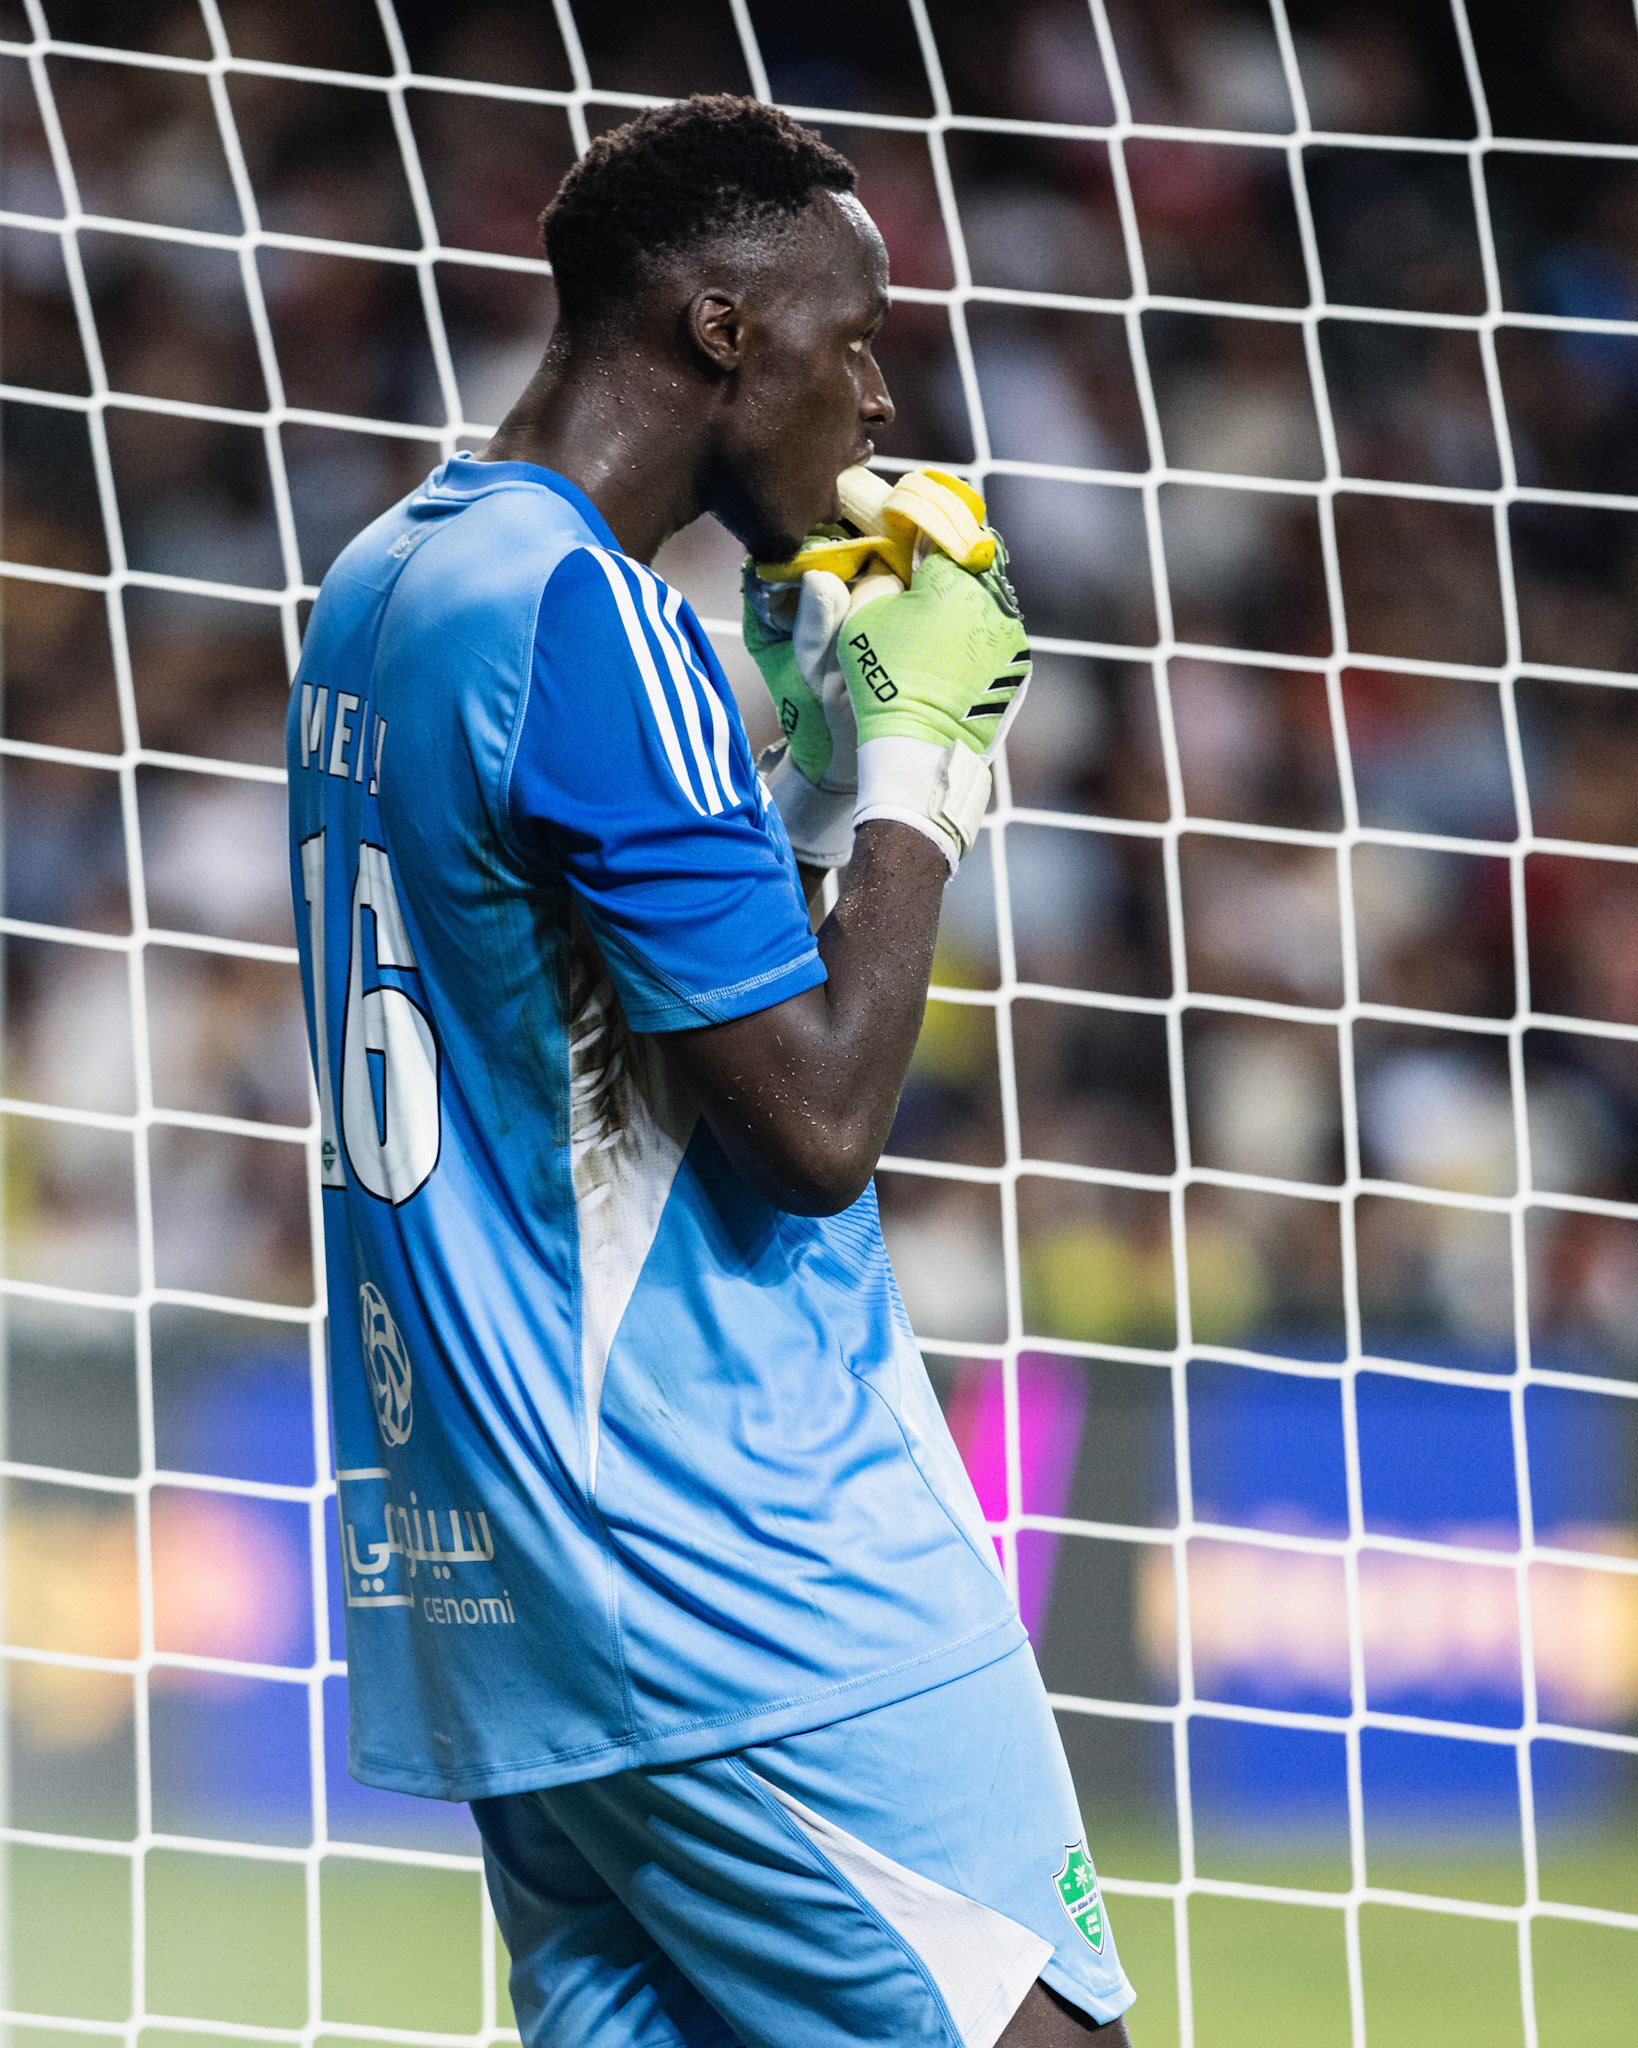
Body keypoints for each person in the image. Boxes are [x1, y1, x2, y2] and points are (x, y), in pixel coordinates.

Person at [286, 93, 1134, 2048]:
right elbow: (814, 1124)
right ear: (724, 330)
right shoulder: (598, 621)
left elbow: (605, 1016)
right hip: (743, 1581)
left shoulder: (387, 590)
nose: (877, 392)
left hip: (519, 1601)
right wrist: (921, 760)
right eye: (851, 336)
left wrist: (819, 778)